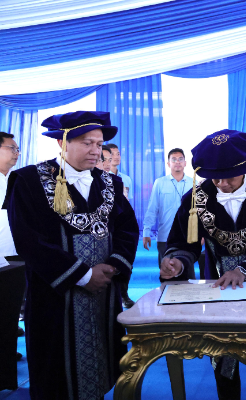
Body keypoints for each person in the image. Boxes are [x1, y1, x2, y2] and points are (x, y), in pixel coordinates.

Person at [4, 111, 139, 400]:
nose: (95, 151)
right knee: (57, 377)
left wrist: (114, 266)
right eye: (87, 143)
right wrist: (83, 275)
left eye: (99, 144)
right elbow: (28, 240)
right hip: (54, 296)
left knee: (101, 367)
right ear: (62, 143)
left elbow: (127, 229)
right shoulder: (28, 180)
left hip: (103, 293)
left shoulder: (110, 183)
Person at [159, 129, 246, 400]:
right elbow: (183, 242)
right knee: (223, 358)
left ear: (245, 167)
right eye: (215, 177)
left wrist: (243, 270)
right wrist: (177, 263)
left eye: (229, 176)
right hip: (217, 289)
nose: (222, 183)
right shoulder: (195, 198)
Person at [0, 132, 26, 392]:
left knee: (9, 321)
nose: (16, 153)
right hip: (1, 260)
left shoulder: (15, 181)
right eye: (11, 148)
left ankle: (6, 375)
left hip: (14, 259)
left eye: (17, 149)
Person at [143, 148, 193, 277]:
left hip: (188, 237)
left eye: (180, 159)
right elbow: (152, 208)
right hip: (165, 236)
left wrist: (201, 235)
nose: (177, 162)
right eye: (174, 159)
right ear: (168, 163)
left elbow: (199, 212)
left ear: (185, 163)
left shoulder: (194, 184)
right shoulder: (160, 183)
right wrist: (146, 231)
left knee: (188, 275)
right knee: (167, 274)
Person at [106, 143, 135, 307]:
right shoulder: (99, 177)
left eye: (118, 154)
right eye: (111, 155)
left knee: (125, 259)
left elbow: (127, 201)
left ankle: (124, 294)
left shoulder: (125, 178)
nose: (115, 157)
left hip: (122, 221)